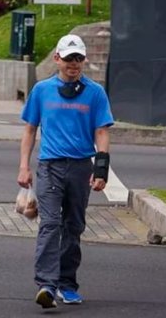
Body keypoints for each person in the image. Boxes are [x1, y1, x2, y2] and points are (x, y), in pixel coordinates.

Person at [17, 34, 113, 308]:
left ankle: (67, 284)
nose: (74, 64)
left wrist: (102, 169)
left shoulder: (95, 92)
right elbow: (30, 130)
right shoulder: (42, 90)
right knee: (49, 224)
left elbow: (102, 131)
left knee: (74, 225)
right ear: (57, 58)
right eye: (69, 58)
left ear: (84, 60)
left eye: (78, 58)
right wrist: (24, 166)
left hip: (82, 167)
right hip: (50, 166)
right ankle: (46, 284)